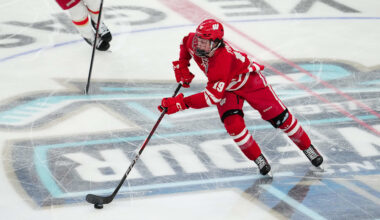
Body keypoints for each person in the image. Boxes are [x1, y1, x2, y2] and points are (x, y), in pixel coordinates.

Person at [158, 19, 323, 176]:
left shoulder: (222, 60)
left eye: (204, 42)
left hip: (250, 83)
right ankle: (258, 158)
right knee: (234, 126)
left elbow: (211, 98)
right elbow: (185, 41)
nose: (199, 45)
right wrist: (182, 65)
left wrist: (181, 103)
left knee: (282, 118)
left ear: (216, 43)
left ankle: (308, 147)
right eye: (199, 39)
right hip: (226, 89)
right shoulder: (195, 42)